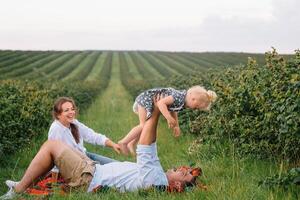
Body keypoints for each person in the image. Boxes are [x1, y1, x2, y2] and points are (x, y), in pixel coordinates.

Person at [1, 98, 201, 199]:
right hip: (91, 168)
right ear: (58, 114)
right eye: (184, 170)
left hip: (88, 176)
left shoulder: (155, 178)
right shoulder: (156, 175)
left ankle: (18, 190)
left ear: (177, 185)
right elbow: (149, 148)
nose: (183, 169)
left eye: (184, 175)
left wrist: (157, 110)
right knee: (57, 145)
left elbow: (147, 146)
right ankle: (22, 184)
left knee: (51, 146)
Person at [118, 86, 217, 155]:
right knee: (143, 125)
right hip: (146, 99)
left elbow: (174, 110)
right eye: (196, 107)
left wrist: (177, 125)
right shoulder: (179, 96)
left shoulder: (182, 101)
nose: (194, 109)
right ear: (193, 99)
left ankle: (131, 143)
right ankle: (123, 142)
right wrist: (168, 118)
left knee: (144, 127)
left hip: (149, 100)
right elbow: (161, 103)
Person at [48, 97, 120, 165]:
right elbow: (55, 156)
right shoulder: (56, 129)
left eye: (72, 109)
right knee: (110, 172)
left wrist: (112, 144)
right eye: (67, 110)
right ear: (58, 115)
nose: (71, 112)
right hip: (76, 165)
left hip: (85, 155)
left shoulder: (74, 123)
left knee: (116, 165)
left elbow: (92, 135)